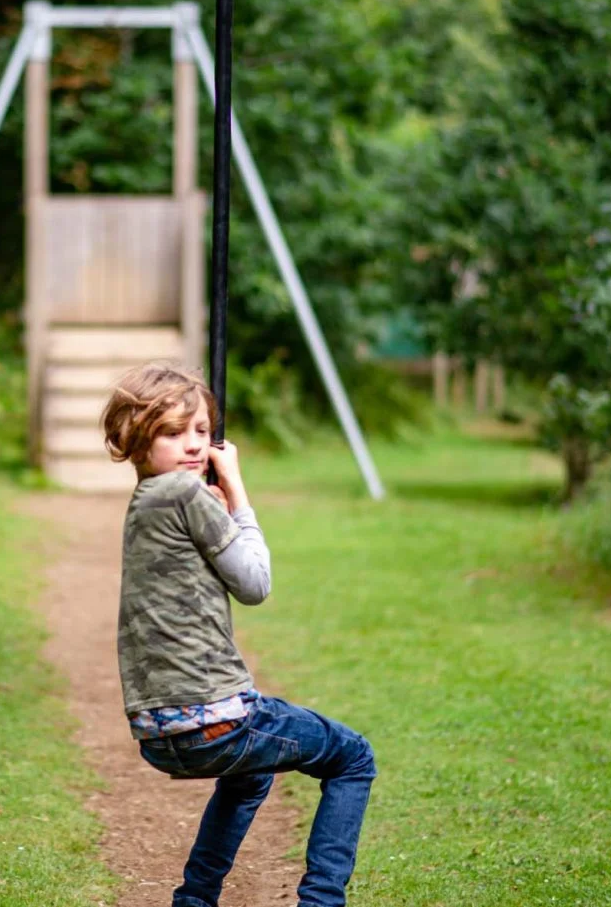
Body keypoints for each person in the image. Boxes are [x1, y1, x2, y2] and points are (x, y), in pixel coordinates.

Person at [100, 363, 377, 907]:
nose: (194, 445)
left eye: (202, 430)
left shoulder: (145, 504)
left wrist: (216, 503)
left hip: (159, 732)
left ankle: (195, 899)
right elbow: (255, 583)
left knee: (253, 776)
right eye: (174, 433)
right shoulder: (186, 493)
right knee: (353, 759)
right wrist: (237, 490)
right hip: (217, 722)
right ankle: (322, 902)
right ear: (137, 440)